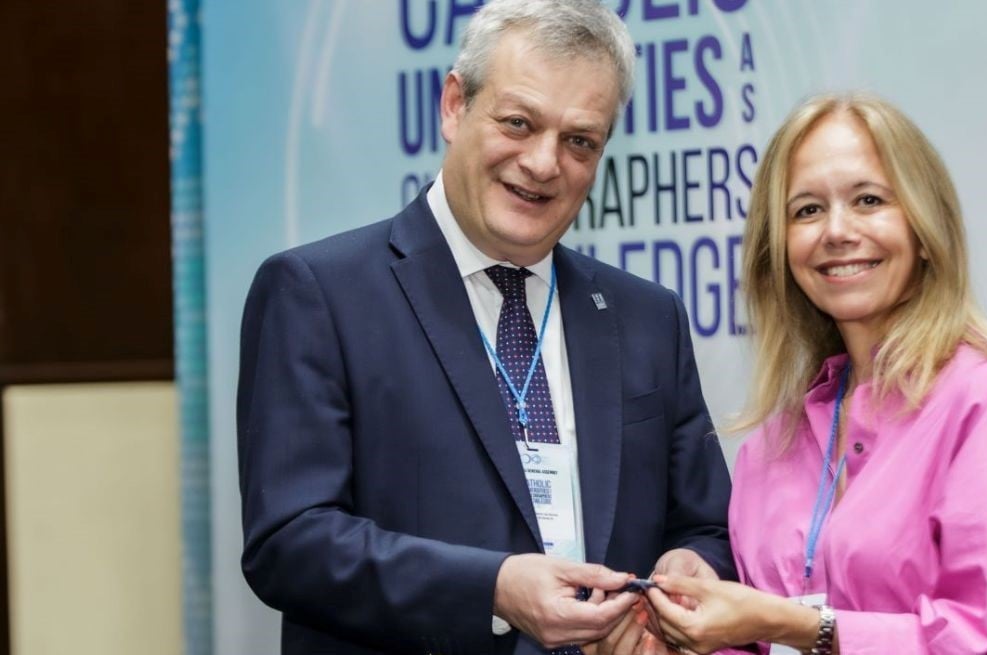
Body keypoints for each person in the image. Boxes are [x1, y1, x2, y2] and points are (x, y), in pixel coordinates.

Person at [236, 1, 733, 653]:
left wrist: (692, 568)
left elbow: (708, 526)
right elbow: (289, 541)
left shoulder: (648, 318)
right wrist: (493, 588)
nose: (544, 163)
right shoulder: (319, 294)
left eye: (579, 140)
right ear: (453, 105)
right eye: (519, 123)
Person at [645, 94, 987, 654]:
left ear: (924, 227)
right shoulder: (774, 441)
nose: (837, 231)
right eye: (807, 210)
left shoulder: (986, 401)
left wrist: (799, 626)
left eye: (868, 200)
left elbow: (984, 640)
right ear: (780, 249)